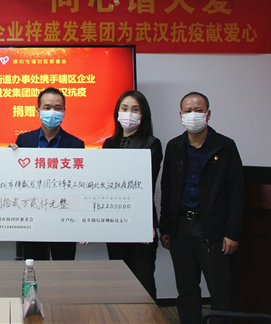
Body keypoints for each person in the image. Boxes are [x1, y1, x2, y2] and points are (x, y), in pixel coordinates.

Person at [159, 92, 244, 324]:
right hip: (181, 229)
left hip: (213, 231)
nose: (193, 115)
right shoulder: (174, 146)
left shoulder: (225, 146)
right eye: (188, 111)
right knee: (186, 291)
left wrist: (232, 232)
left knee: (220, 291)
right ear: (180, 115)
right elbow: (167, 189)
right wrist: (165, 228)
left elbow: (237, 192)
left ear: (208, 114)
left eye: (198, 110)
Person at [9, 87, 85, 260]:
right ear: (38, 111)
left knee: (63, 270)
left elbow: (80, 185)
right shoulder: (24, 141)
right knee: (34, 268)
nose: (52, 112)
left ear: (64, 111)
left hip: (65, 219)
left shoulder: (76, 144)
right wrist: (8, 157)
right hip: (33, 218)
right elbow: (15, 178)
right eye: (47, 107)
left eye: (57, 108)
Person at [103, 90, 162, 301]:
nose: (129, 114)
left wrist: (147, 223)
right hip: (115, 222)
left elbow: (147, 185)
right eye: (125, 108)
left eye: (135, 109)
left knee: (143, 280)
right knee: (119, 280)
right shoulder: (108, 144)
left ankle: (148, 317)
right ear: (117, 113)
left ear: (143, 115)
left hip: (140, 222)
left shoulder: (151, 143)